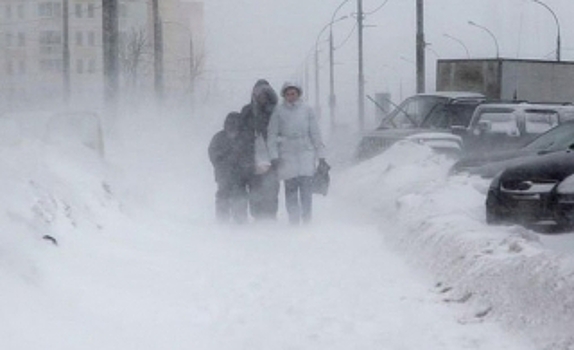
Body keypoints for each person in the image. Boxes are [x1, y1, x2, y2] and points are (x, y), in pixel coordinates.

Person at [267, 82, 328, 225]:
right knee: (291, 190)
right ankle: (293, 220)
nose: (291, 96)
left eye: (293, 93)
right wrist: (274, 157)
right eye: (288, 94)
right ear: (284, 95)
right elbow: (272, 135)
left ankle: (307, 220)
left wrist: (321, 156)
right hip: (287, 155)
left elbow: (315, 134)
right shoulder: (278, 112)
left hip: (306, 153)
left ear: (298, 94)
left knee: (306, 190)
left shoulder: (307, 110)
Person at [239, 79, 280, 221]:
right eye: (259, 94)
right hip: (252, 157)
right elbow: (241, 132)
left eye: (265, 94)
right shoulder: (246, 111)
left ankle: (270, 218)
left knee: (272, 189)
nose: (262, 97)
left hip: (272, 157)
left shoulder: (276, 112)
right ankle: (257, 217)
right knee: (255, 188)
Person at [208, 112, 252, 224]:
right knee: (223, 195)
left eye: (235, 123)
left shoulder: (244, 138)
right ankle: (222, 220)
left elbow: (250, 154)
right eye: (230, 123)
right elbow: (212, 153)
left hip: (240, 174)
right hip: (224, 173)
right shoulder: (219, 137)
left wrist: (245, 165)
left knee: (240, 196)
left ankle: (240, 220)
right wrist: (221, 163)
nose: (232, 126)